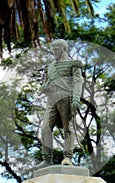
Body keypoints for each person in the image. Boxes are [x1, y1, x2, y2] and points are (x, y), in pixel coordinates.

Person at [35, 39, 83, 169]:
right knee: (45, 128)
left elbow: (78, 82)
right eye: (53, 50)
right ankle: (47, 159)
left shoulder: (73, 64)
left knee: (68, 128)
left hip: (66, 97)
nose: (54, 52)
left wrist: (76, 99)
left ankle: (67, 157)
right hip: (51, 100)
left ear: (63, 49)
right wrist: (44, 88)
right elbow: (45, 83)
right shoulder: (50, 67)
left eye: (56, 49)